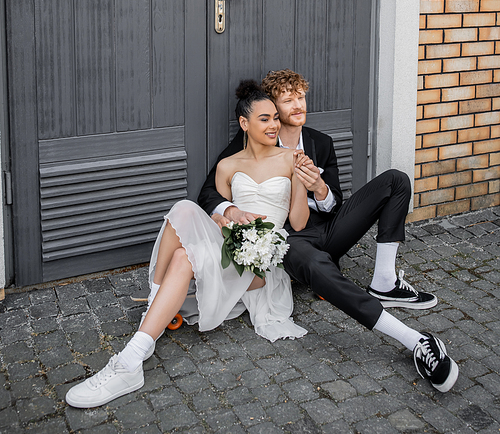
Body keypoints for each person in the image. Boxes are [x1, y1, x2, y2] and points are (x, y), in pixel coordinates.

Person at [198, 69, 459, 393]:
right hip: (289, 238)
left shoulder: (321, 142)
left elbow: (336, 203)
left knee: (396, 180)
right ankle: (414, 340)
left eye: (301, 97)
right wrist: (232, 210)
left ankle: (384, 282)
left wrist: (320, 188)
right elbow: (209, 193)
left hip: (327, 227)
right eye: (287, 100)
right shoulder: (252, 139)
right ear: (270, 109)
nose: (297, 105)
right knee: (312, 262)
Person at [65, 81, 310, 409]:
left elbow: (298, 223)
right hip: (232, 247)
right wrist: (226, 216)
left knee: (184, 254)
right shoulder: (228, 166)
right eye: (264, 119)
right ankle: (134, 355)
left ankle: (142, 335)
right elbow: (212, 218)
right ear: (244, 123)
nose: (274, 125)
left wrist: (308, 184)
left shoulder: (291, 159)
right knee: (182, 221)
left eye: (275, 118)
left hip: (262, 266)